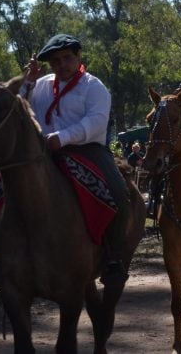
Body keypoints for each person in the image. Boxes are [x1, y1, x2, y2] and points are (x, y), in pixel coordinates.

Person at [23, 33, 131, 288]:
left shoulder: (94, 87)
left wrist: (63, 137)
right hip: (43, 153)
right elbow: (20, 108)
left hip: (87, 150)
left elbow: (96, 122)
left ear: (78, 57)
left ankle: (114, 257)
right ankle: (0, 255)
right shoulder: (40, 85)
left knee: (119, 195)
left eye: (67, 59)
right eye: (56, 62)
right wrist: (27, 83)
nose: (62, 65)